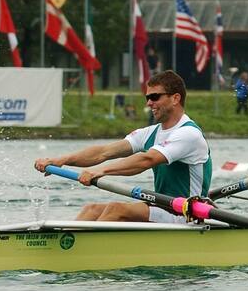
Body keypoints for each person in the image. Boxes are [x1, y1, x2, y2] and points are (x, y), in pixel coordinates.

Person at [34, 71, 211, 222]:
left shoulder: (188, 134)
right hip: (163, 207)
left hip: (188, 214)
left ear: (175, 98)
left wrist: (100, 172)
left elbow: (147, 160)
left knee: (115, 209)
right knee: (92, 209)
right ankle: (65, 246)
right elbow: (103, 152)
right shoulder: (150, 133)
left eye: (154, 97)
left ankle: (85, 254)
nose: (149, 103)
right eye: (147, 98)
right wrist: (61, 160)